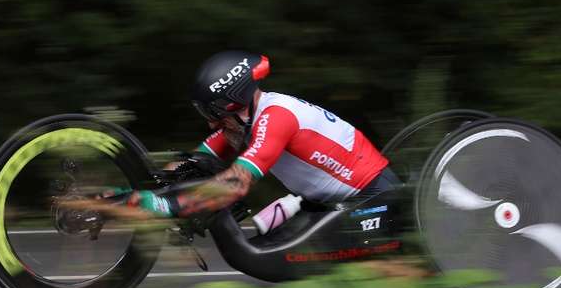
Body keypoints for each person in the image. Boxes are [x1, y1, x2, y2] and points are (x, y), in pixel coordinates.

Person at [126, 50, 397, 226]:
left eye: (212, 112)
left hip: (373, 197)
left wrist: (168, 205)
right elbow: (192, 164)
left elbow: (235, 184)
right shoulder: (245, 121)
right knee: (269, 237)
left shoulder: (276, 117)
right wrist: (130, 194)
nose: (210, 123)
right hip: (329, 202)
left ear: (232, 103)